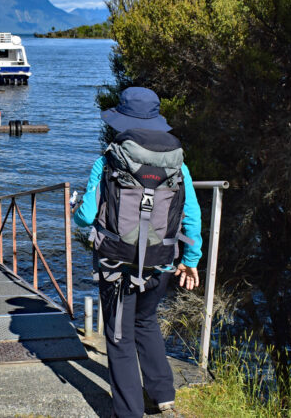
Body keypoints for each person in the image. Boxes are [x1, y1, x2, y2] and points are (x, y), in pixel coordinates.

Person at [74, 87, 202, 418]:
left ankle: (128, 412)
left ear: (121, 121)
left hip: (116, 263)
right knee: (145, 321)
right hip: (160, 263)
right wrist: (190, 261)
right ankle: (162, 396)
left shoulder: (107, 161)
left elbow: (86, 216)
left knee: (118, 337)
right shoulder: (178, 165)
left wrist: (77, 209)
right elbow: (192, 216)